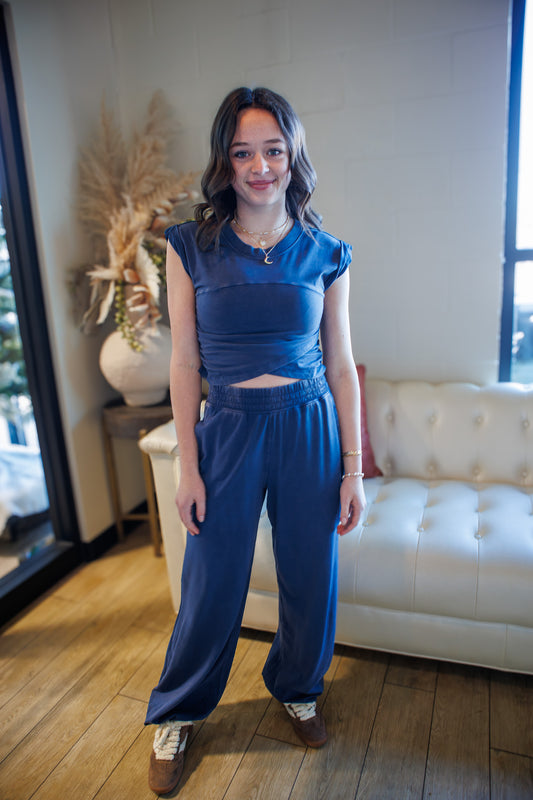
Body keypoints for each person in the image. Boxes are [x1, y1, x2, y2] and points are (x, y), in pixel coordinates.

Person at [145, 86, 366, 796]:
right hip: (229, 426)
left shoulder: (326, 251)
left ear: (292, 155)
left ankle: (298, 686)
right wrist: (188, 462)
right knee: (211, 583)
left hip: (308, 425)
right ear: (225, 162)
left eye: (272, 149)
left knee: (310, 576)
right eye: (243, 152)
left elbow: (338, 365)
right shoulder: (190, 245)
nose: (259, 165)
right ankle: (177, 712)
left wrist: (352, 469)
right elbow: (183, 360)